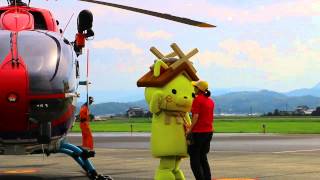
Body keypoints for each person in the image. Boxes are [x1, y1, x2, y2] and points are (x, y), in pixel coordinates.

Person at [187, 80, 214, 180]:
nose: (194, 88)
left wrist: (189, 129)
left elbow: (195, 117)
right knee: (203, 157)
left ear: (199, 89)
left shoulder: (197, 100)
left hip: (199, 132)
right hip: (208, 132)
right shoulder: (210, 101)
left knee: (194, 157)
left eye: (195, 87)